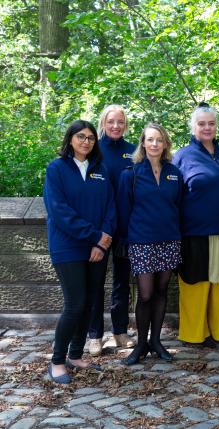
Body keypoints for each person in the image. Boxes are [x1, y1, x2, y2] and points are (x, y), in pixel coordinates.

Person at [43, 120, 115, 383]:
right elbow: (60, 212)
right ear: (70, 139)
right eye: (81, 136)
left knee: (90, 302)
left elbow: (110, 207)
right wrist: (95, 236)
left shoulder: (101, 170)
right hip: (68, 246)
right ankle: (57, 361)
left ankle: (75, 356)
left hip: (97, 248)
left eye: (91, 138)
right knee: (75, 304)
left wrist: (101, 242)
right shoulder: (57, 169)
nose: (86, 141)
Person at [173, 104, 219, 346]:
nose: (207, 128)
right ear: (193, 126)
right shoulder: (182, 156)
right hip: (194, 233)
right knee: (196, 283)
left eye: (211, 123)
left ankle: (215, 331)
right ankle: (193, 334)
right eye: (202, 124)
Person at [118, 123, 182, 365]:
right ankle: (141, 345)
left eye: (159, 140)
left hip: (169, 239)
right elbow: (124, 211)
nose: (154, 144)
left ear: (165, 144)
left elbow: (179, 206)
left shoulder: (174, 172)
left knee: (162, 290)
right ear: (143, 144)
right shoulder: (131, 174)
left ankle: (156, 341)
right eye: (150, 140)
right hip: (142, 241)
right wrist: (125, 241)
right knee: (145, 294)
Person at [89, 105, 136, 357]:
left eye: (120, 122)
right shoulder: (94, 151)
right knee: (95, 283)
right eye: (111, 122)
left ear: (125, 124)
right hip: (100, 230)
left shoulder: (133, 152)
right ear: (103, 123)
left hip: (125, 229)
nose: (116, 126)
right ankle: (94, 335)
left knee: (122, 283)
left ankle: (120, 331)